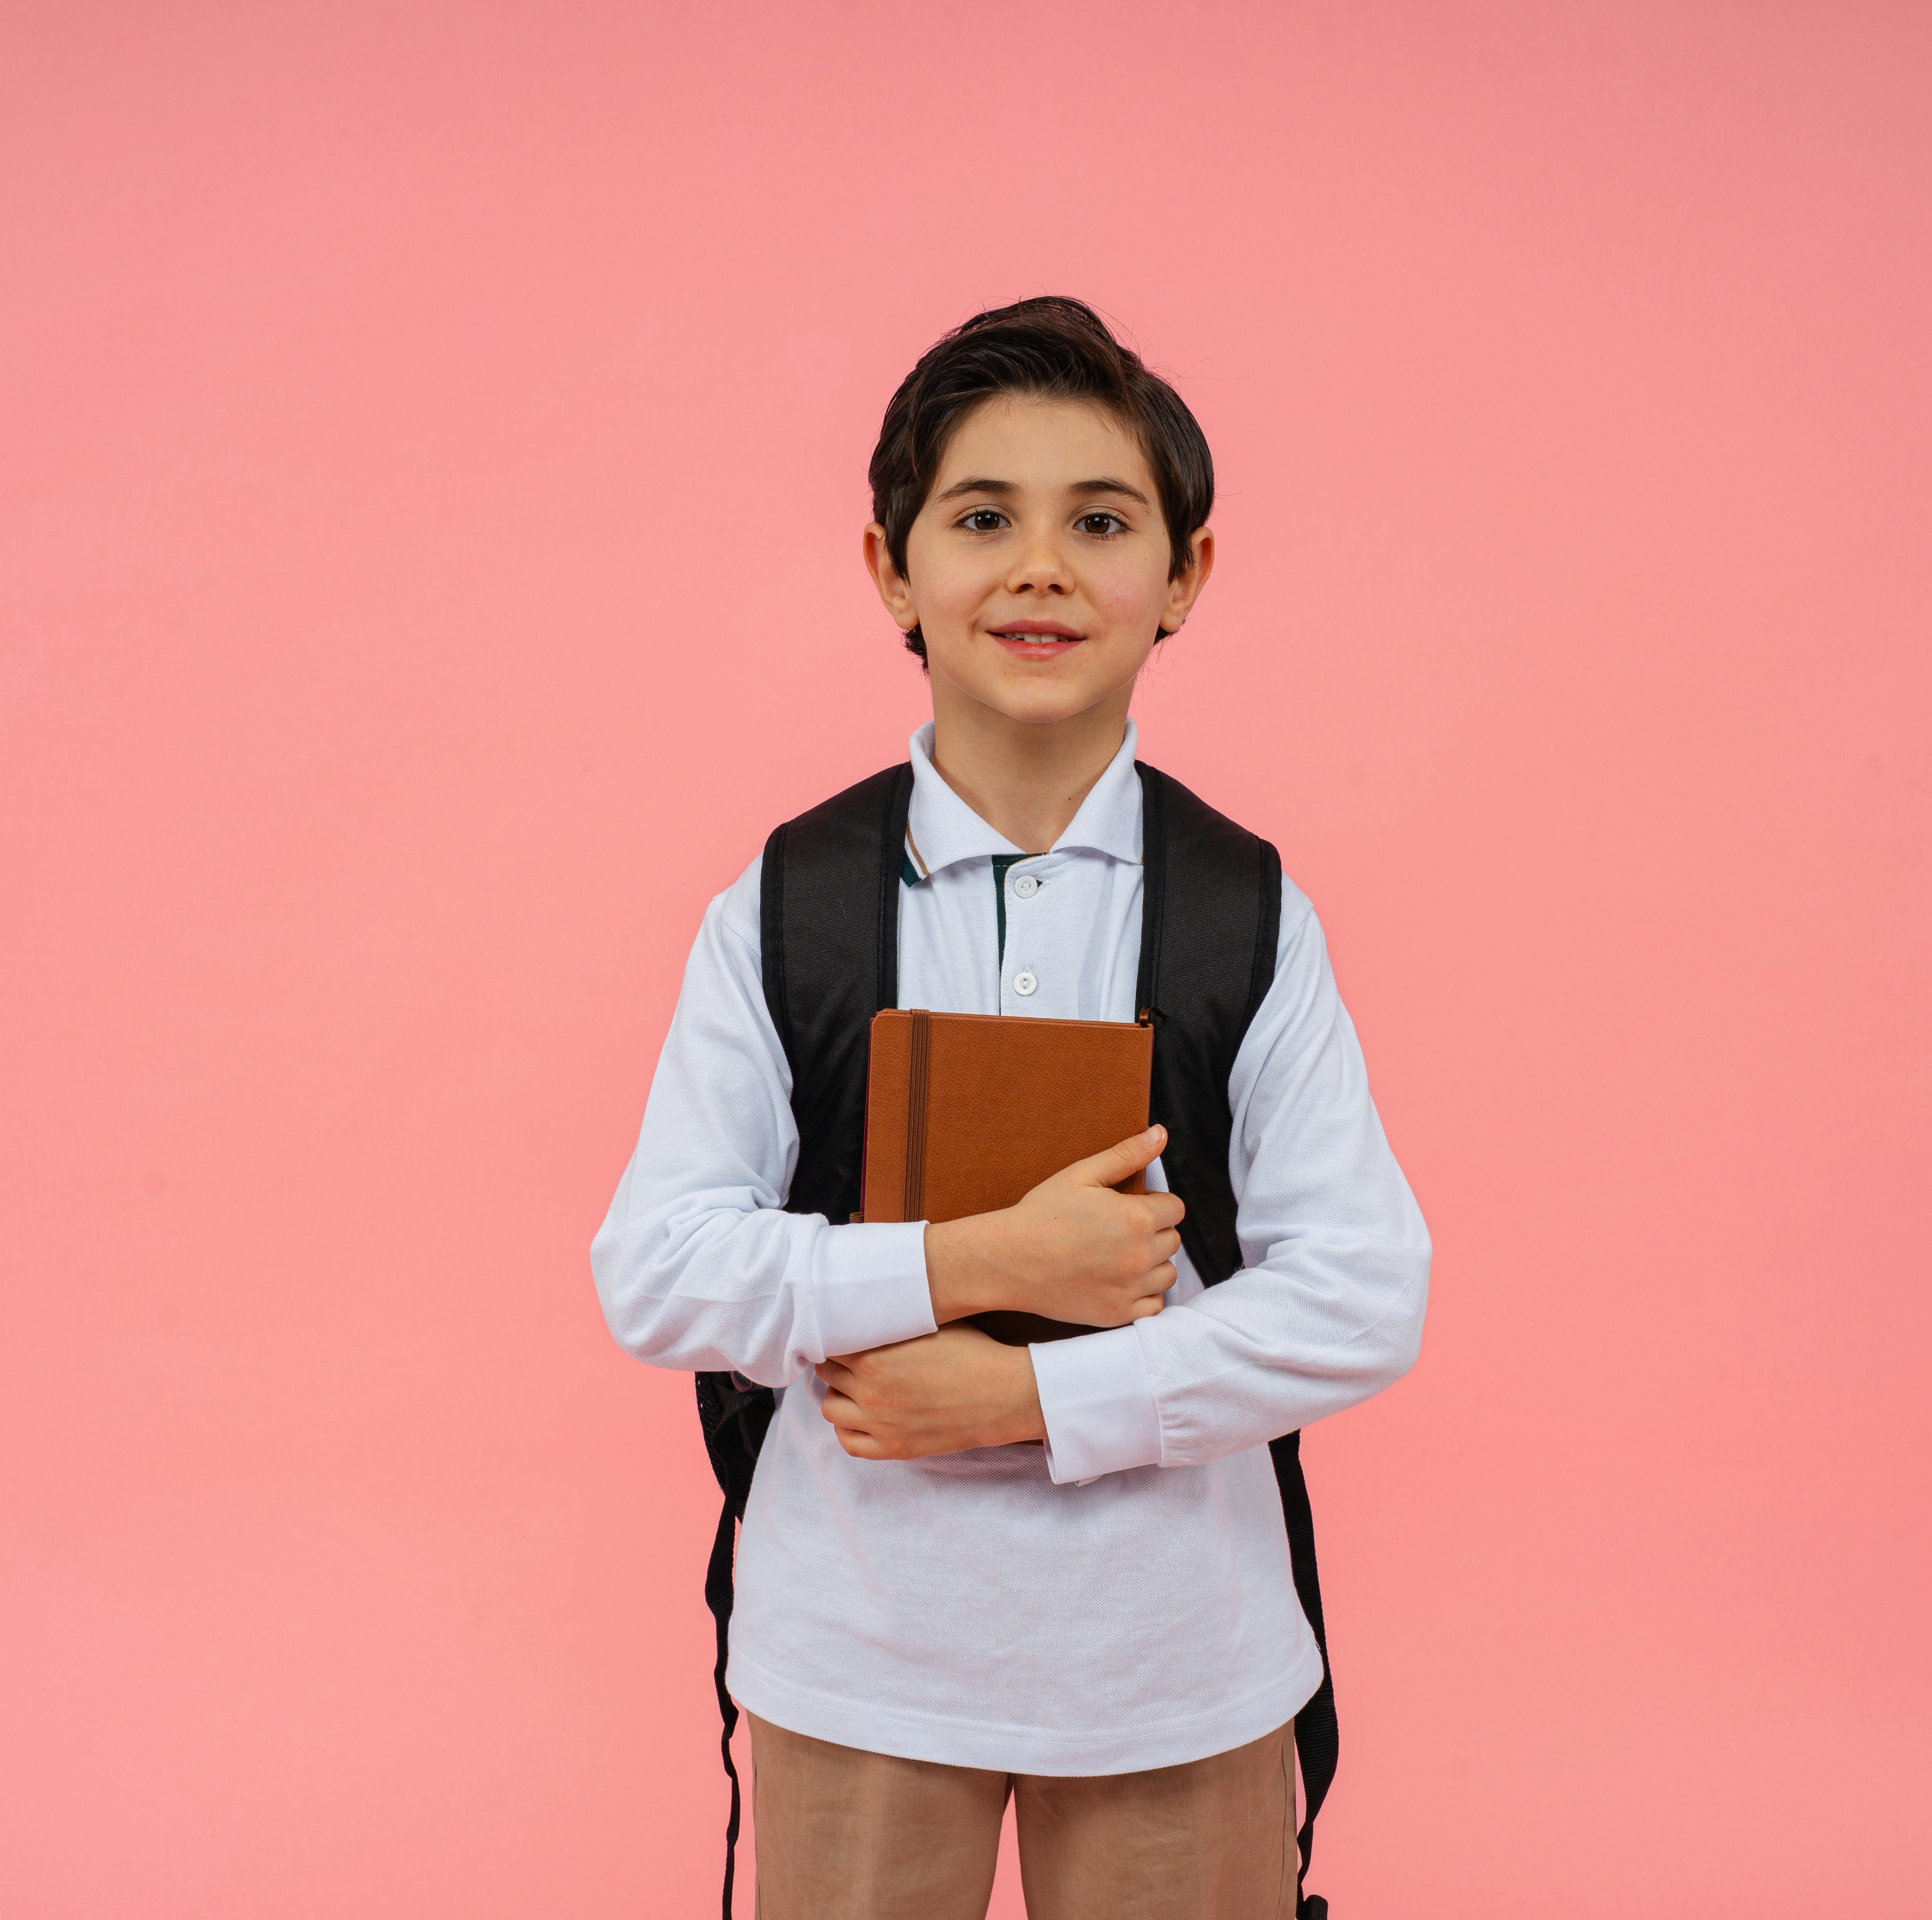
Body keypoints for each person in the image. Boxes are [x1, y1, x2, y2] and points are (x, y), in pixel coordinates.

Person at [592, 296, 1429, 1920]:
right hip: (858, 1667)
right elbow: (658, 1268)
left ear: (1181, 575)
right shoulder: (790, 904)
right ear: (891, 568)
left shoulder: (1244, 912)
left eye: (1100, 521)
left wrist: (1035, 1404)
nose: (1039, 567)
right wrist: (982, 1258)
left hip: (1177, 1666)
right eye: (982, 518)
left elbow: (1365, 1298)